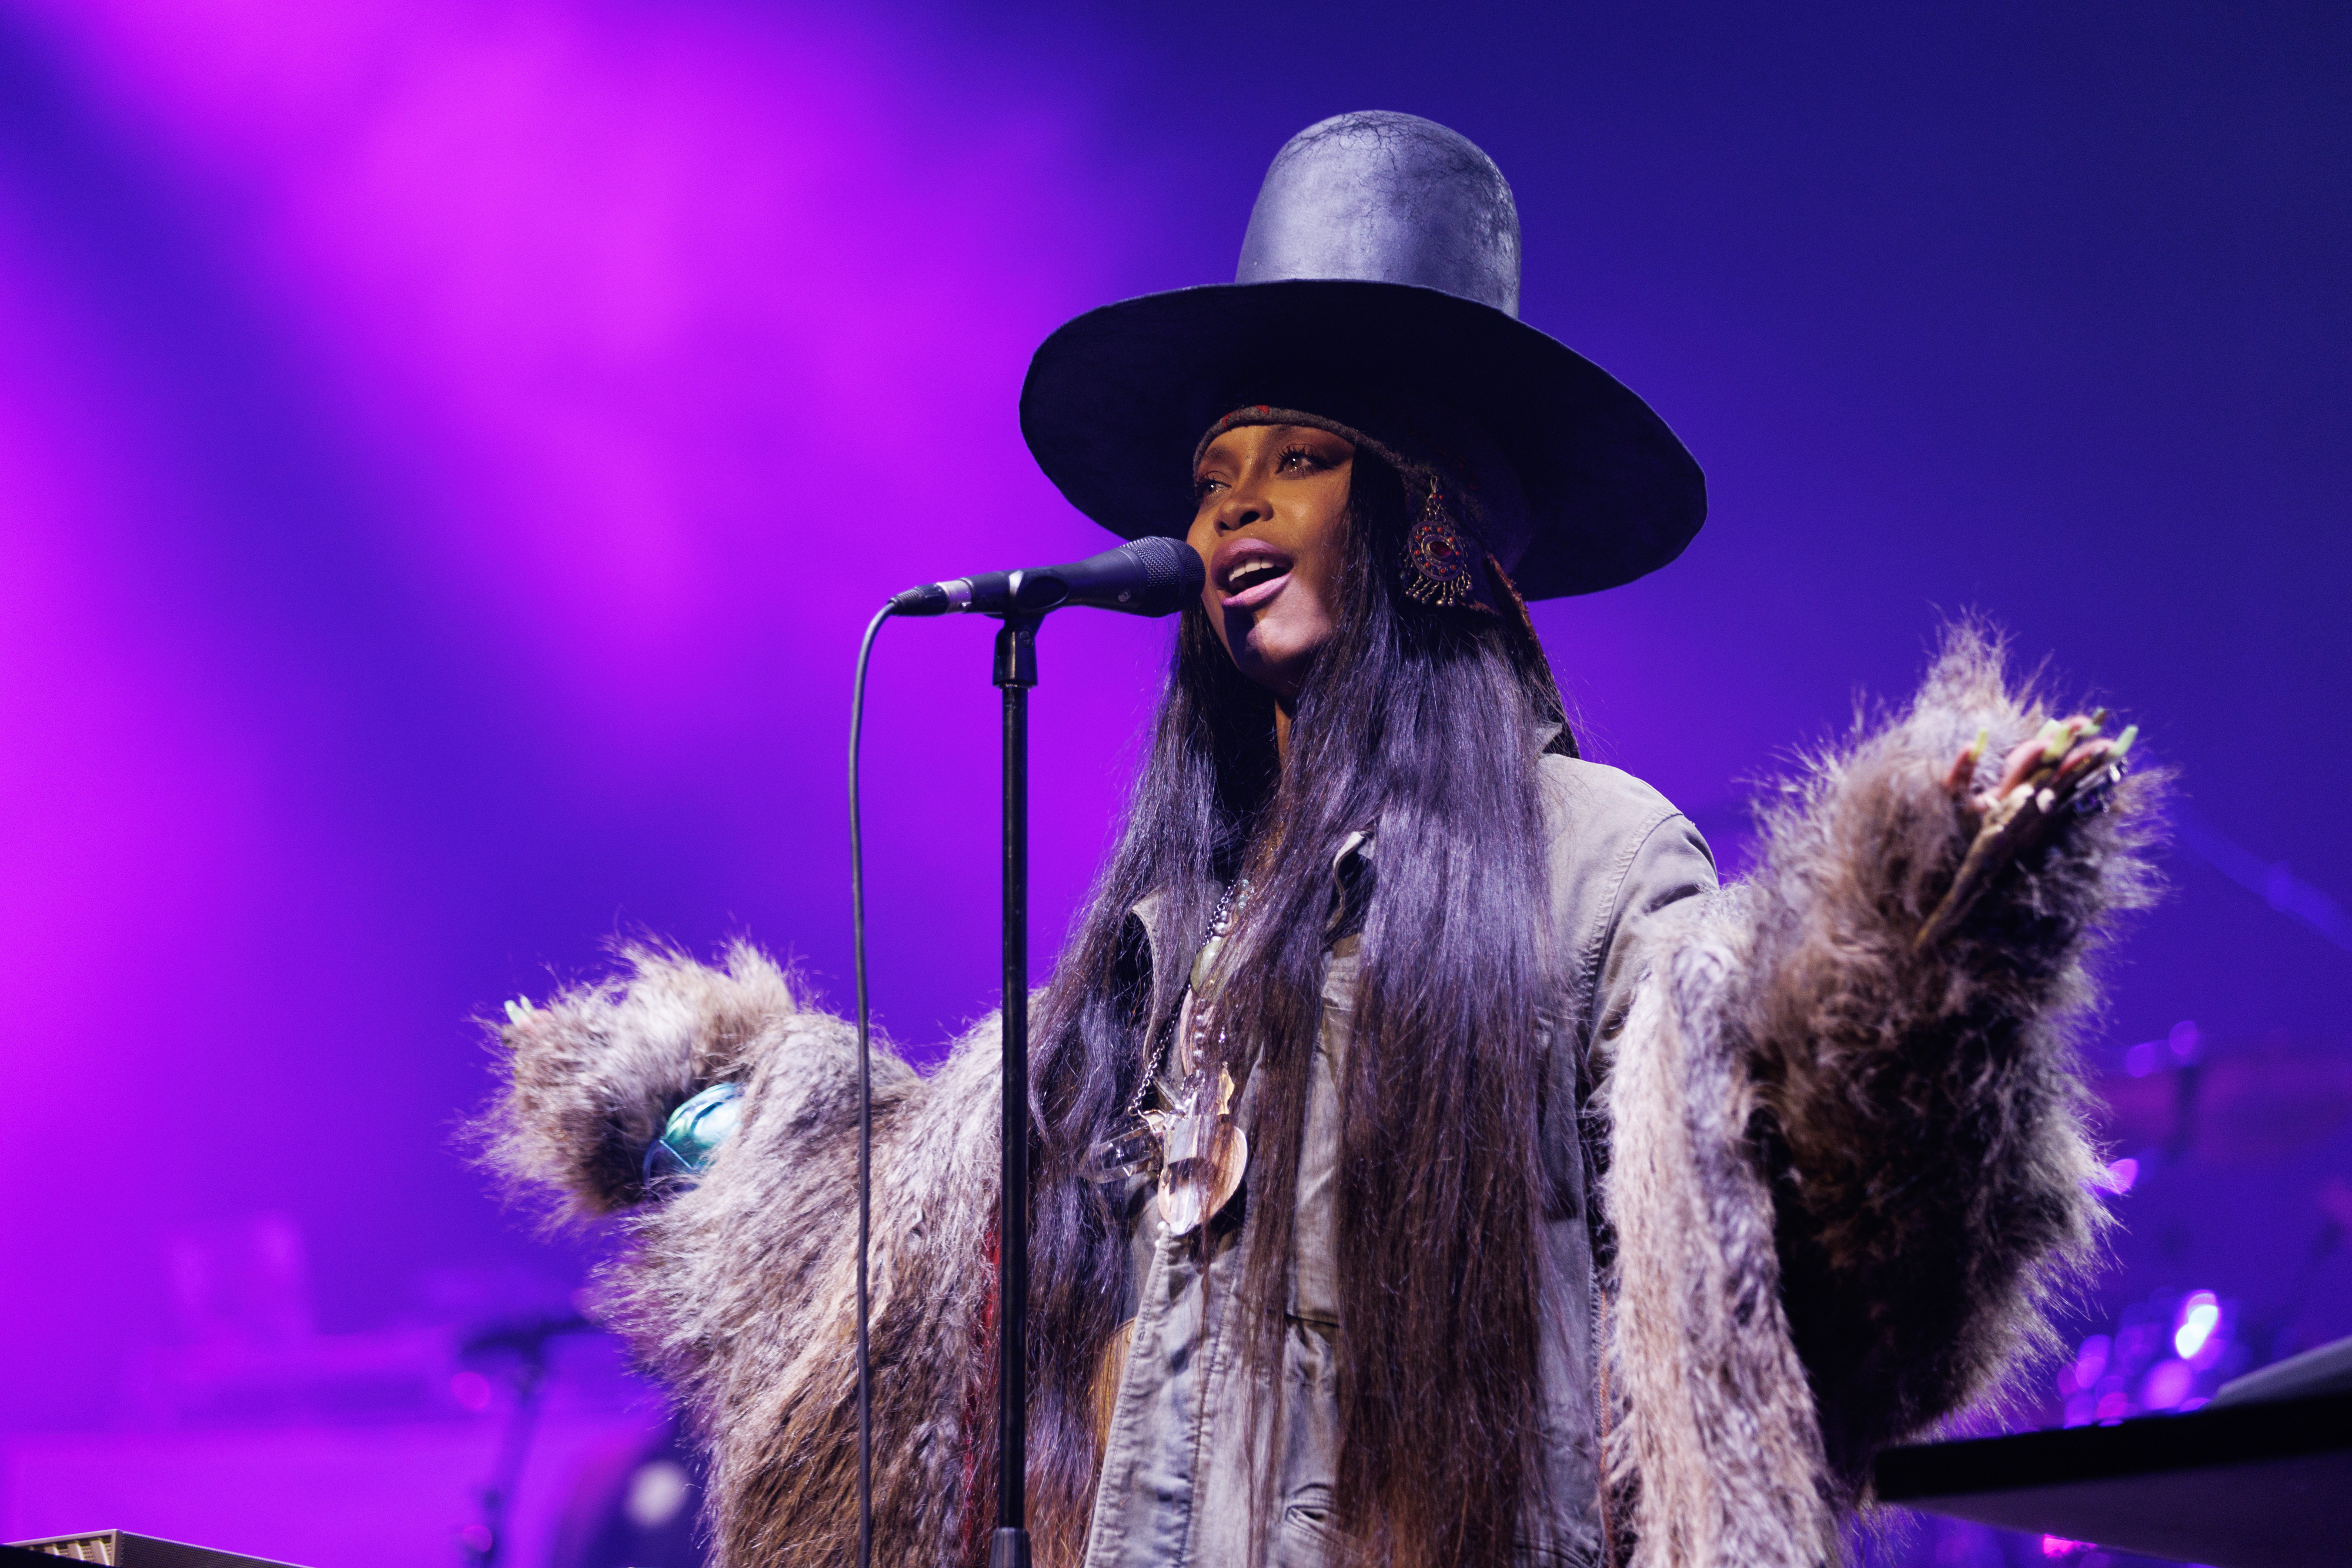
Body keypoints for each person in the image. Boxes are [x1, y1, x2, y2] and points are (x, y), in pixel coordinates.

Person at [483, 113, 2157, 1568]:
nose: (1230, 510)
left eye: (1297, 460)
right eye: (1215, 473)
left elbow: (1768, 1245)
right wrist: (745, 1123)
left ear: (1436, 518)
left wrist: (1927, 964)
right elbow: (953, 1258)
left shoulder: (1594, 861)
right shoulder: (1165, 921)